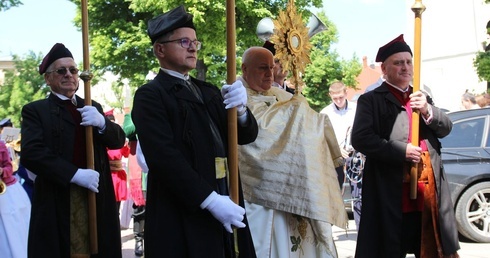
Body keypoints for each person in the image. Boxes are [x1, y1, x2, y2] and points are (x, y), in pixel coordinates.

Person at [131, 5, 259, 258]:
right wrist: (209, 200)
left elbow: (245, 137)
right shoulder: (151, 95)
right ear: (160, 49)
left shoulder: (208, 91)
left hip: (225, 192)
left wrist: (242, 111)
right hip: (183, 205)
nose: (192, 47)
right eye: (183, 41)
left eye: (194, 42)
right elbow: (163, 157)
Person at [351, 34, 460, 257]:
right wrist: (402, 151)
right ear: (384, 69)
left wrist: (428, 111)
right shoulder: (371, 100)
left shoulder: (421, 97)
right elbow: (361, 138)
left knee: (430, 247)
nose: (405, 67)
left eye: (408, 62)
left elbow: (446, 128)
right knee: (390, 248)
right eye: (398, 63)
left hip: (427, 193)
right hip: (390, 192)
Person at [237, 46, 347, 258]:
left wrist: (301, 111)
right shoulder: (236, 96)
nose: (269, 74)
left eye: (271, 67)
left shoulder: (282, 95)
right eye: (262, 68)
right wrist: (296, 113)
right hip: (260, 195)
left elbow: (306, 128)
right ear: (244, 68)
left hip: (296, 190)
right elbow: (259, 137)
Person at [20, 43, 125, 257]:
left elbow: (118, 141)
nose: (69, 75)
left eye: (73, 70)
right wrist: (74, 174)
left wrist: (104, 125)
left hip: (96, 194)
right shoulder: (36, 111)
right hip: (58, 197)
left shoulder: (91, 106)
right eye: (61, 71)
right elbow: (32, 153)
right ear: (48, 79)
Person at [319, 81, 363, 228]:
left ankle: (361, 230)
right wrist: (337, 149)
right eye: (335, 98)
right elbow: (322, 138)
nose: (338, 101)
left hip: (354, 156)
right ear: (330, 96)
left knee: (358, 196)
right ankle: (328, 229)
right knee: (332, 194)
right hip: (335, 158)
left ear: (346, 93)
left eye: (340, 97)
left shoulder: (357, 109)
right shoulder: (325, 113)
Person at [122, 106, 146, 256]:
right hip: (137, 161)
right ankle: (139, 239)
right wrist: (143, 117)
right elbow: (127, 131)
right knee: (139, 206)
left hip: (155, 156)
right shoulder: (130, 114)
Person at [0, 139, 31, 258]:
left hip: (7, 192)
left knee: (13, 230)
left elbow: (9, 167)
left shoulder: (1, 145)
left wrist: (2, 171)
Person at [105, 109, 130, 212]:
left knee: (117, 204)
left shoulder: (119, 140)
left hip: (118, 176)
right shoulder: (103, 140)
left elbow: (126, 153)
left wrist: (126, 144)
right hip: (108, 175)